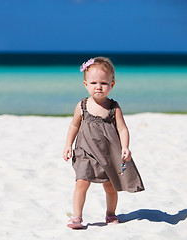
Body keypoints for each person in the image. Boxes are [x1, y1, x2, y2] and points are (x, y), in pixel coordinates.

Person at [62, 57, 144, 229]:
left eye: (103, 83)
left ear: (112, 84)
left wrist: (125, 147)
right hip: (85, 151)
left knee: (110, 186)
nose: (98, 87)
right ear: (85, 84)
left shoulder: (114, 107)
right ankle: (77, 216)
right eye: (93, 82)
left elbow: (122, 129)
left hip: (107, 153)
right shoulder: (82, 105)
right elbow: (74, 125)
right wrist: (68, 145)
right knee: (81, 181)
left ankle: (110, 213)